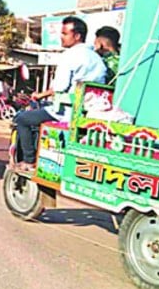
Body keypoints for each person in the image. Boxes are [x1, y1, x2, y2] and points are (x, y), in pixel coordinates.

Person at [13, 16, 107, 172]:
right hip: (91, 113)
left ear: (77, 36)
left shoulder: (70, 56)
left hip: (67, 112)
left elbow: (60, 87)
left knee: (23, 119)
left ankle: (29, 161)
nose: (61, 37)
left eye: (64, 33)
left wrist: (42, 95)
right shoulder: (97, 59)